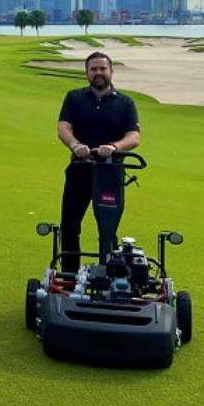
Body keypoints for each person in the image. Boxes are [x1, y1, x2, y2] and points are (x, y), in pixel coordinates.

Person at [56, 51, 141, 273]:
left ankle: (107, 275)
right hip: (80, 170)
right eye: (93, 69)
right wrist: (76, 146)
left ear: (111, 71)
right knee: (70, 226)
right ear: (87, 73)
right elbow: (63, 128)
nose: (98, 73)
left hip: (110, 174)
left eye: (103, 68)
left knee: (107, 229)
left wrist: (114, 147)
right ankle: (69, 275)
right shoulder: (74, 98)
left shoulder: (125, 103)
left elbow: (134, 137)